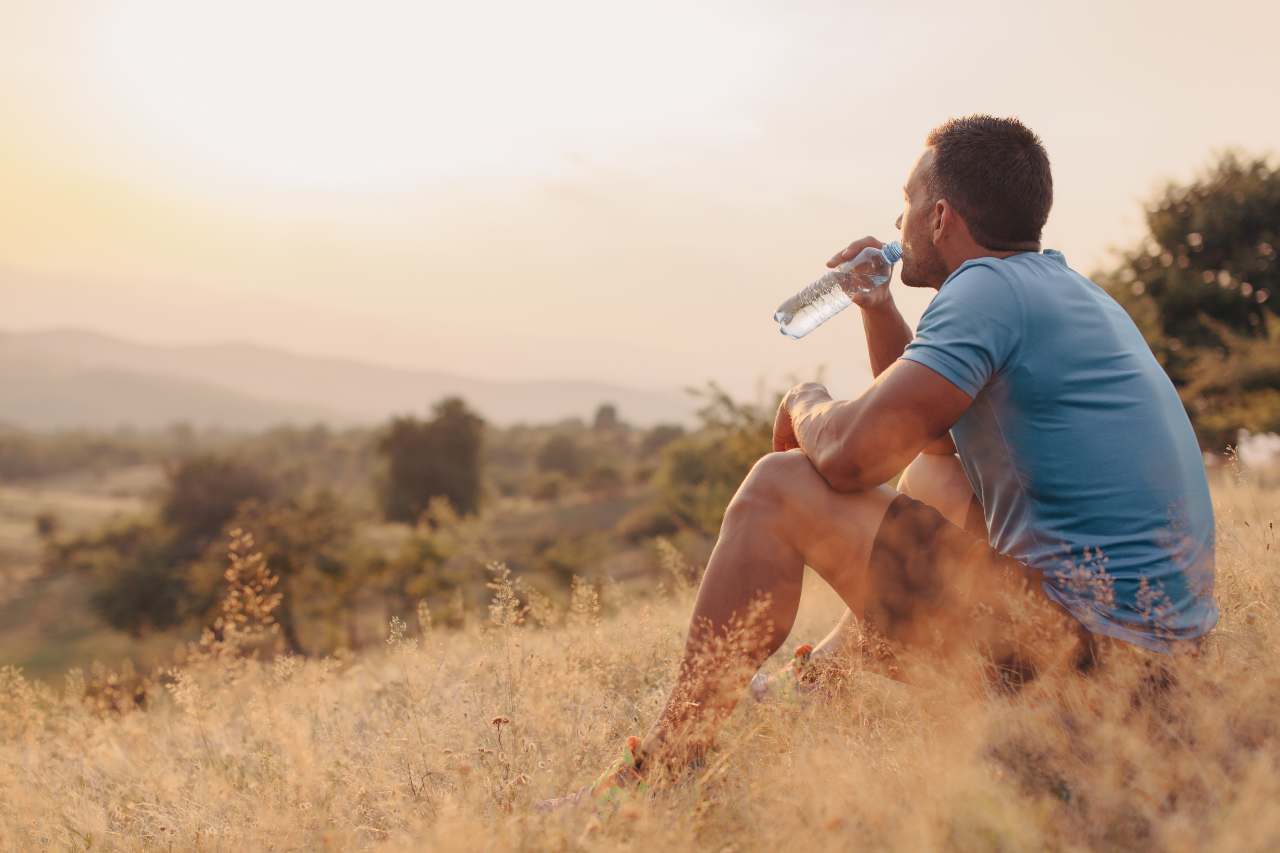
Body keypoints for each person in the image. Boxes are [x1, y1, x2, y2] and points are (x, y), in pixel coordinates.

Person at [544, 114, 1217, 809]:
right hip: (1164, 665)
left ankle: (654, 778)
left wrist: (802, 400)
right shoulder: (1056, 288)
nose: (898, 220)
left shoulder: (983, 292)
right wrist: (876, 308)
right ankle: (819, 684)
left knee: (778, 486)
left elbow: (848, 457)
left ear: (940, 215)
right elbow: (925, 440)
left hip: (1087, 662)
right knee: (939, 475)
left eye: (907, 201)